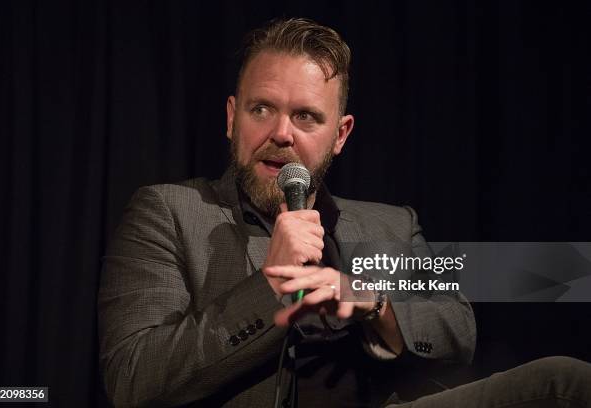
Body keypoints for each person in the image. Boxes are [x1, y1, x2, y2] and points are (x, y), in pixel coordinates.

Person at [98, 18, 591, 408]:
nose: (282, 133)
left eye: (306, 116)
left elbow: (456, 329)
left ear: (341, 134)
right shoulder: (173, 212)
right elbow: (134, 378)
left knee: (566, 383)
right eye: (261, 109)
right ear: (232, 118)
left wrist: (373, 301)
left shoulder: (386, 225)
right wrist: (271, 288)